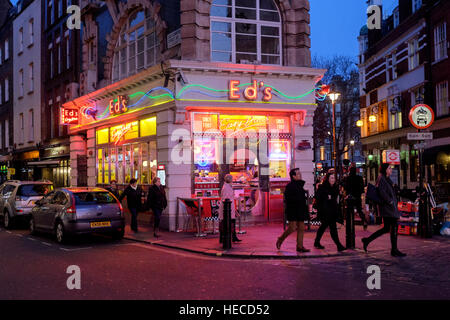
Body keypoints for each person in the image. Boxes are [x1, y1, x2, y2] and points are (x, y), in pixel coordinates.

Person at [362, 164, 406, 257]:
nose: (391, 170)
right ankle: (394, 250)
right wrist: (389, 201)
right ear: (385, 170)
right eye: (389, 168)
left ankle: (367, 240)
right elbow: (381, 191)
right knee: (394, 226)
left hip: (388, 207)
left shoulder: (386, 179)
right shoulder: (381, 178)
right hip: (387, 207)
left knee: (386, 228)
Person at [276, 168, 310, 253]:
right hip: (293, 210)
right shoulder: (289, 186)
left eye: (300, 173)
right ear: (293, 176)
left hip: (300, 210)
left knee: (301, 228)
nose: (300, 175)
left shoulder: (300, 185)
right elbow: (288, 199)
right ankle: (280, 239)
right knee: (292, 228)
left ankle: (300, 246)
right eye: (298, 174)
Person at [314, 171, 346, 252]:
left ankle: (316, 242)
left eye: (334, 178)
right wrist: (328, 198)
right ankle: (338, 245)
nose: (333, 179)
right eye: (331, 178)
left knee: (323, 227)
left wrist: (330, 197)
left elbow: (334, 199)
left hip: (332, 211)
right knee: (332, 228)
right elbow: (319, 198)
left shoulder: (335, 187)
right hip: (325, 212)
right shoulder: (323, 187)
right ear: (327, 179)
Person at [344, 165, 368, 230]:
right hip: (357, 196)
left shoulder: (348, 178)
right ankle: (364, 221)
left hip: (350, 197)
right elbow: (362, 188)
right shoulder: (359, 178)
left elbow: (346, 187)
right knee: (359, 210)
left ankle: (349, 224)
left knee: (349, 210)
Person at [219, 174, 241, 243]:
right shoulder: (226, 187)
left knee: (231, 222)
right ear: (228, 179)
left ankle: (233, 236)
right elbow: (226, 198)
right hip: (228, 208)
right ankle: (230, 237)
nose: (232, 180)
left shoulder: (227, 186)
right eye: (231, 179)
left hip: (230, 208)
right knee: (230, 222)